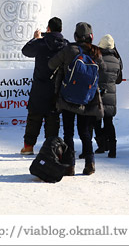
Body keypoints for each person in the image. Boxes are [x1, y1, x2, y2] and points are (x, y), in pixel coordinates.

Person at [48, 22, 106, 176]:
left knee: (68, 132)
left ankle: (69, 165)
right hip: (88, 99)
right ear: (91, 37)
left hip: (68, 98)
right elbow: (104, 71)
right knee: (85, 132)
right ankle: (90, 163)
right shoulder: (96, 52)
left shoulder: (69, 49)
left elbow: (51, 64)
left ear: (75, 36)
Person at [20, 17, 68, 155]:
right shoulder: (65, 45)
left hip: (40, 87)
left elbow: (26, 51)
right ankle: (51, 148)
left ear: (48, 29)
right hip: (57, 88)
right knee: (53, 119)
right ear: (61, 29)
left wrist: (35, 38)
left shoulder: (41, 43)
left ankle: (28, 147)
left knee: (34, 117)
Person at [93, 34, 123, 158]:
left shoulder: (96, 58)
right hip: (111, 95)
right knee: (109, 121)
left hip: (98, 94)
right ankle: (113, 149)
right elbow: (119, 80)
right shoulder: (117, 60)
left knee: (96, 121)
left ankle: (101, 145)